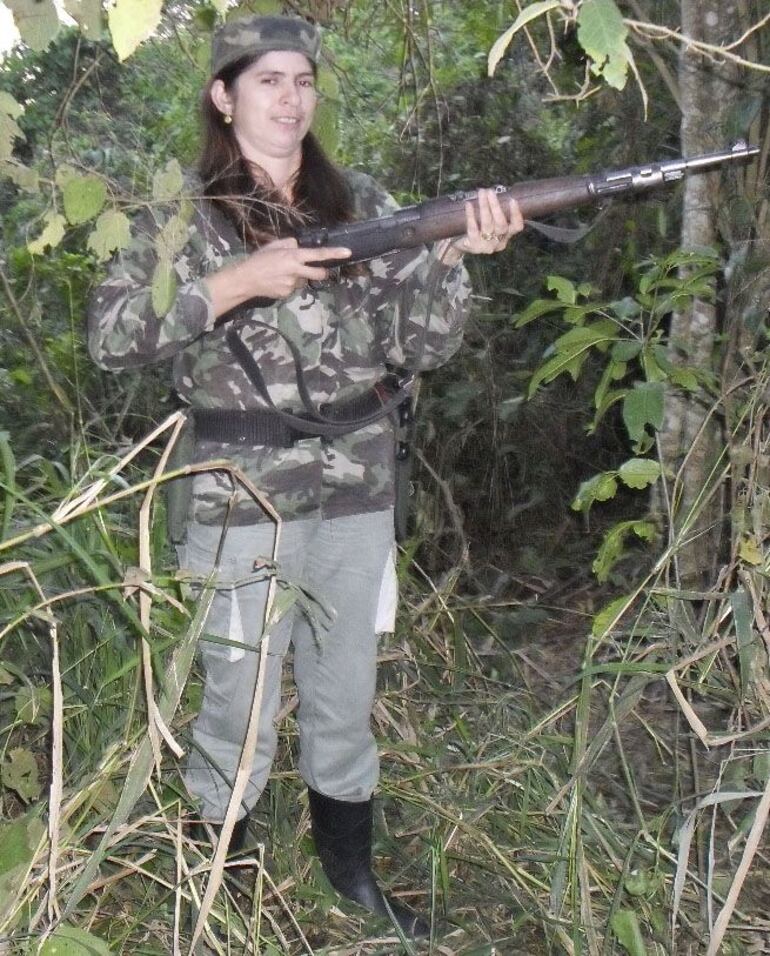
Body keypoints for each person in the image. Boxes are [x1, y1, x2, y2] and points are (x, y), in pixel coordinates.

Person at [88, 13, 523, 938]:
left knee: (346, 688)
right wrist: (242, 280)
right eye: (268, 81)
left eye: (303, 81)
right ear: (223, 94)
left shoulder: (360, 201)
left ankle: (351, 879)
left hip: (357, 485)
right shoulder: (179, 214)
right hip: (239, 492)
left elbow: (423, 346)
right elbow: (113, 336)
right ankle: (223, 894)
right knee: (238, 697)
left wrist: (450, 260)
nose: (291, 100)